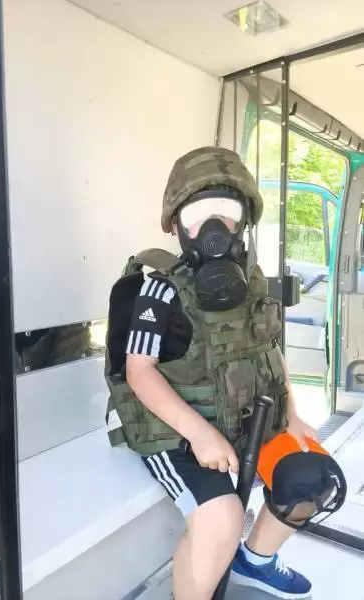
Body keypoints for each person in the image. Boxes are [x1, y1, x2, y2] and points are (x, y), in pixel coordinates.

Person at [104, 147, 335, 600]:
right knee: (221, 519)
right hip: (175, 430)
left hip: (244, 419)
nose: (213, 228)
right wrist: (202, 435)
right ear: (175, 225)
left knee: (314, 478)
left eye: (226, 212)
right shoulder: (157, 289)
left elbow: (269, 349)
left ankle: (257, 560)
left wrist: (291, 413)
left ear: (243, 222)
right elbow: (138, 372)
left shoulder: (251, 281)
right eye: (197, 215)